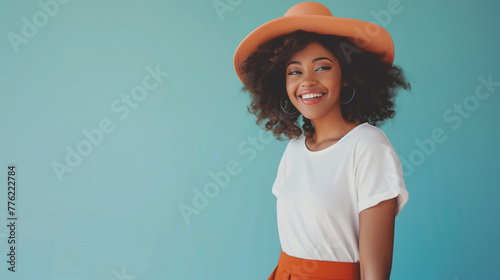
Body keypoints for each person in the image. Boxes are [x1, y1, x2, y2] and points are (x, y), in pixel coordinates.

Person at [233, 2, 410, 280]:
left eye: (322, 67)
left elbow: (375, 274)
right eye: (294, 71)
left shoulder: (368, 146)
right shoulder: (294, 150)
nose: (307, 81)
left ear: (348, 77)